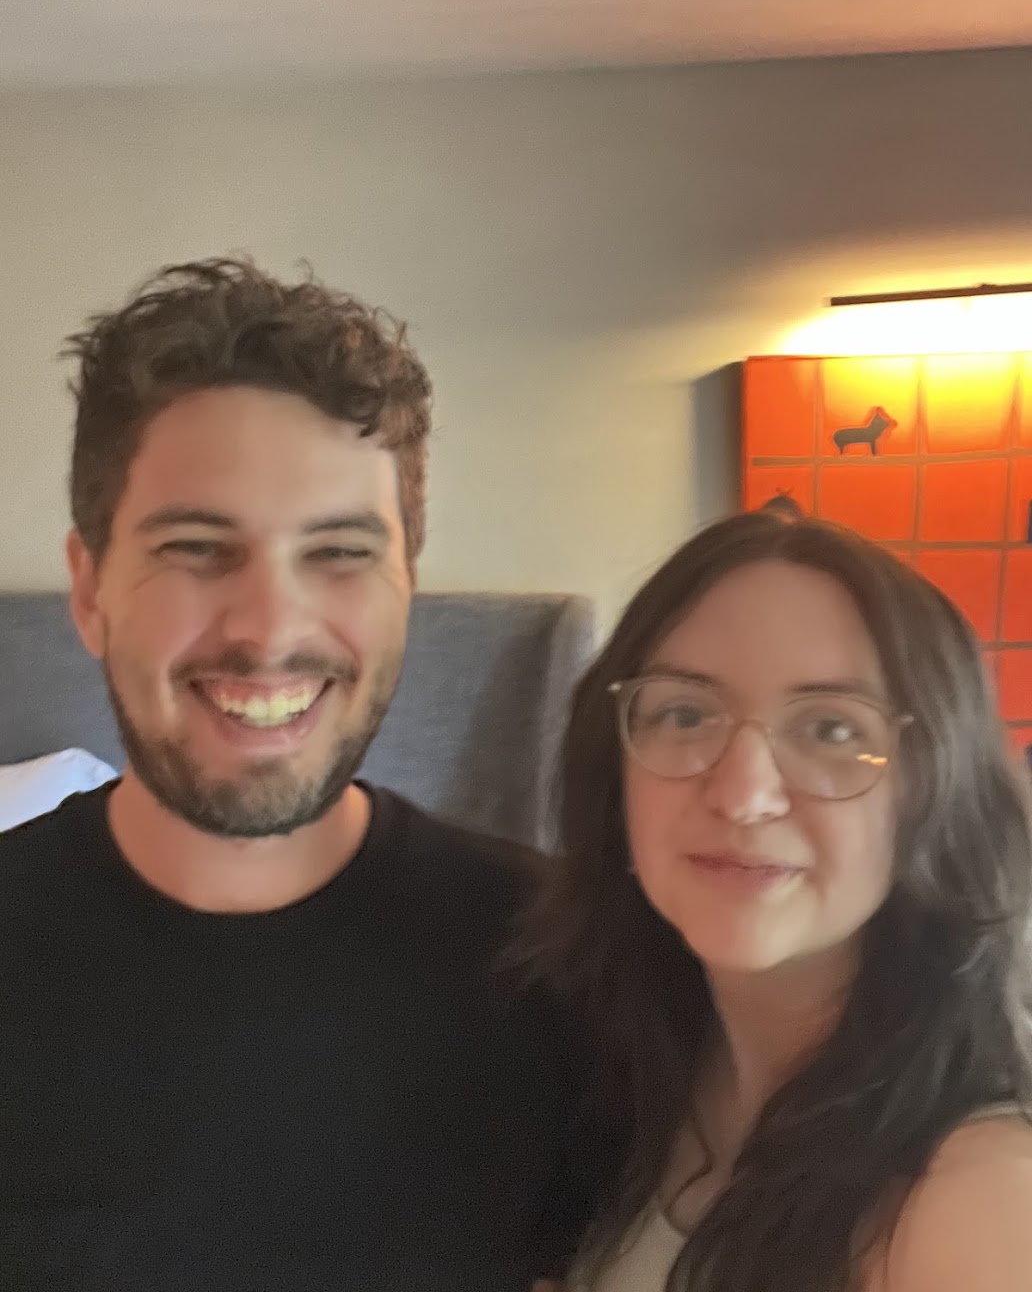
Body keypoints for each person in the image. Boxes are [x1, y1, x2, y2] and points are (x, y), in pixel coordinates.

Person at [0, 258, 598, 1291]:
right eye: (197, 546)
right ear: (91, 589)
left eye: (339, 552)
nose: (269, 628)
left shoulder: (565, 965)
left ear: (407, 579)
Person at [519, 510, 1032, 1292]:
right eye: (685, 714)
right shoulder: (622, 1067)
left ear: (932, 788)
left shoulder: (976, 1201)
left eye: (830, 728)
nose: (744, 793)